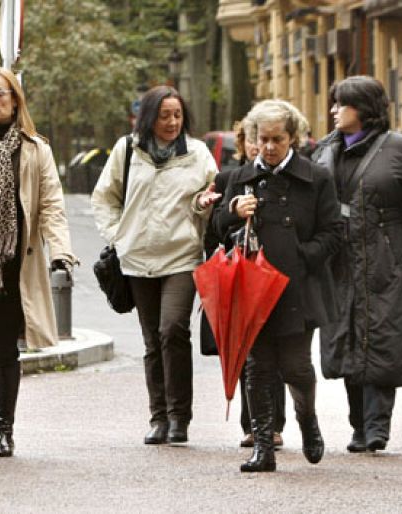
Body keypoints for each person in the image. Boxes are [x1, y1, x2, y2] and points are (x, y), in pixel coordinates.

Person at [0, 67, 78, 458]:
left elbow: (51, 205)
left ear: (14, 101)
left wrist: (61, 252)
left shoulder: (35, 149)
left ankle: (3, 429)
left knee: (5, 349)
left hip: (12, 263)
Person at [214, 99, 341, 472]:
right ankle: (263, 447)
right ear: (253, 138)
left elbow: (333, 232)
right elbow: (216, 229)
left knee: (296, 365)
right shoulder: (239, 178)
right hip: (252, 286)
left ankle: (307, 421)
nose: (269, 147)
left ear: (292, 139)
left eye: (277, 139)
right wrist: (232, 212)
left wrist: (303, 255)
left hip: (296, 286)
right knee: (258, 367)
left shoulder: (316, 178)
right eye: (263, 139)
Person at [92, 85, 220, 445]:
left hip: (182, 256)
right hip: (137, 259)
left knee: (172, 329)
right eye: (164, 116)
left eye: (177, 115)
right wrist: (119, 236)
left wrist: (203, 204)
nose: (172, 122)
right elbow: (104, 198)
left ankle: (180, 417)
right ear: (149, 117)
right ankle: (159, 417)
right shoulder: (127, 150)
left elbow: (209, 197)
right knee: (152, 340)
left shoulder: (197, 153)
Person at [314, 76, 402, 454]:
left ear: (363, 108)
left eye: (341, 104)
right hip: (338, 263)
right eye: (333, 103)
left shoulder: (400, 149)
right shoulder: (324, 151)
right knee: (347, 338)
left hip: (385, 262)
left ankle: (377, 425)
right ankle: (359, 424)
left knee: (382, 336)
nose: (334, 110)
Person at [201, 118, 287, 450]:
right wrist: (233, 211)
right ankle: (252, 424)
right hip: (240, 274)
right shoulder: (229, 179)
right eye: (253, 139)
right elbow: (215, 231)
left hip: (274, 274)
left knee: (274, 353)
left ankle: (273, 425)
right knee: (246, 351)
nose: (258, 146)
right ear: (243, 143)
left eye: (263, 139)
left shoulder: (282, 178)